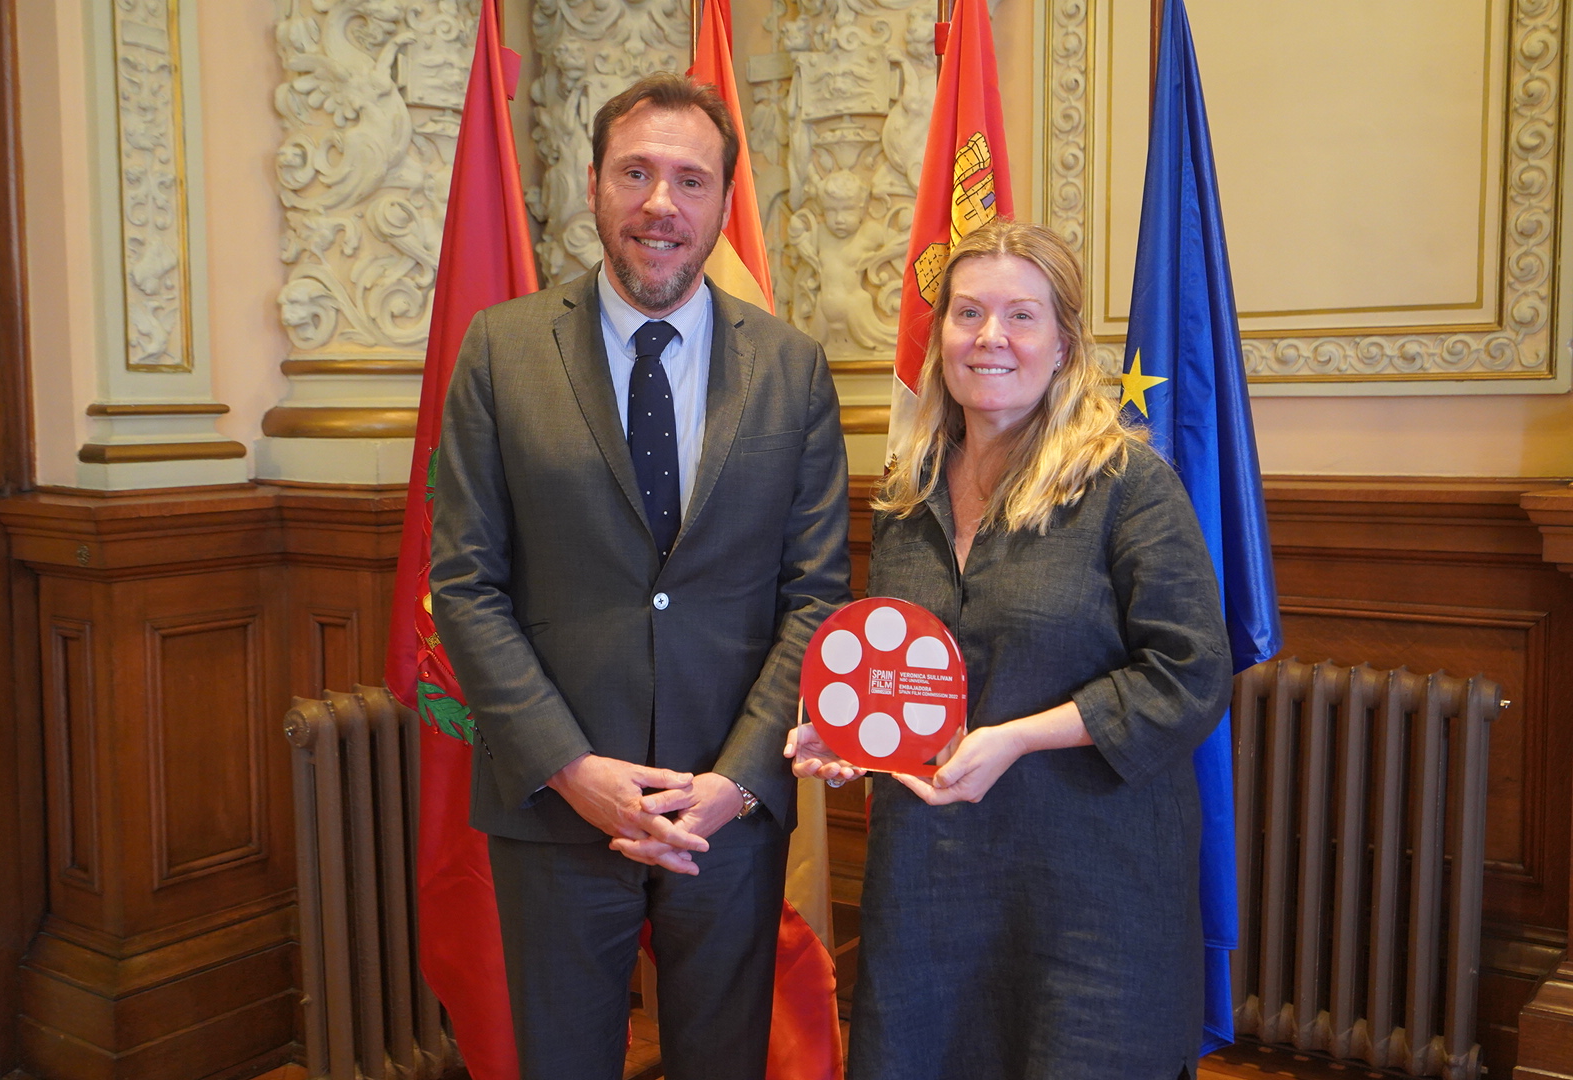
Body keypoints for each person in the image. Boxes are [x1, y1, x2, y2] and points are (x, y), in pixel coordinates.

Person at [431, 72, 850, 1080]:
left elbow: (813, 595)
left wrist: (736, 782)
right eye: (635, 173)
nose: (661, 203)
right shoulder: (499, 350)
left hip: (725, 811)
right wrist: (573, 771)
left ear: (721, 201)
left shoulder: (792, 368)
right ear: (592, 186)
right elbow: (466, 584)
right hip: (557, 805)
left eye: (690, 180)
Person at [787, 219, 1231, 1079]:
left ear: (1063, 343)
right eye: (968, 313)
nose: (990, 336)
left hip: (1091, 888)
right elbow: (907, 675)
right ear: (941, 337)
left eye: (1021, 315)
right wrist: (850, 735)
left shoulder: (1128, 484)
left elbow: (1191, 673)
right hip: (932, 884)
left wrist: (1020, 737)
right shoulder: (906, 493)